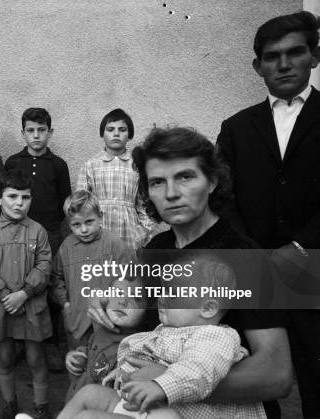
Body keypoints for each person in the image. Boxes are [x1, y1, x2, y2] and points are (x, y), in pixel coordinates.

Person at [90, 127, 292, 418]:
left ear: (212, 182)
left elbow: (276, 374)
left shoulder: (246, 258)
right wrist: (103, 305)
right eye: (157, 182)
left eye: (185, 176)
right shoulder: (155, 248)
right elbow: (137, 317)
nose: (171, 193)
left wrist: (168, 380)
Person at [216, 11, 320, 418]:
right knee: (257, 380)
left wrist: (299, 248)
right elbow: (222, 197)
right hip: (255, 272)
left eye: (295, 52)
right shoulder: (236, 127)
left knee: (316, 376)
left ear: (314, 56)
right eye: (272, 56)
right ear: (257, 66)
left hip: (315, 268)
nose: (284, 63)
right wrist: (253, 257)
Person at [59, 255, 266, 419]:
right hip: (148, 406)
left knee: (87, 417)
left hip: (179, 412)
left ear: (208, 307)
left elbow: (198, 371)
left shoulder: (215, 336)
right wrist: (123, 371)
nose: (162, 298)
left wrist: (160, 385)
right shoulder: (167, 329)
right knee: (90, 394)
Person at [0, 169, 53, 419]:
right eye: (12, 196)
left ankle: (41, 406)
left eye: (25, 197)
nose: (19, 203)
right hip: (1, 308)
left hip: (31, 304)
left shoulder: (38, 231)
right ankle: (10, 404)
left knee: (36, 359)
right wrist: (5, 295)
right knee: (5, 359)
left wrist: (24, 293)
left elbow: (44, 265)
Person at [6, 107, 72, 372]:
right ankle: (19, 341)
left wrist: (55, 229)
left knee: (48, 284)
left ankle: (51, 343)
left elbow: (64, 202)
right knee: (19, 282)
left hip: (51, 233)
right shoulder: (12, 162)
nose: (36, 136)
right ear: (23, 133)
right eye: (31, 131)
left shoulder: (58, 165)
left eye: (41, 130)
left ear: (50, 132)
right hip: (18, 233)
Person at [50, 190, 134, 377]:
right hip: (77, 321)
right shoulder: (66, 247)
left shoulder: (115, 244)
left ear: (100, 217)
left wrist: (117, 304)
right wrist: (65, 304)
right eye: (76, 225)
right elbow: (56, 278)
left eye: (89, 222)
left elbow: (131, 277)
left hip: (109, 324)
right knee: (78, 368)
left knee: (107, 370)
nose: (84, 230)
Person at [76, 108, 158, 250]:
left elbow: (145, 204)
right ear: (102, 133)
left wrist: (142, 233)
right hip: (98, 235)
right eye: (110, 129)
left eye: (122, 129)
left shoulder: (137, 165)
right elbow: (80, 205)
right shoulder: (90, 165)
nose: (116, 133)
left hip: (130, 238)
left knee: (128, 271)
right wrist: (87, 231)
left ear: (130, 135)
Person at [63, 278, 146, 402]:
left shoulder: (137, 350)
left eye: (136, 298)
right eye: (117, 293)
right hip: (75, 401)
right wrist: (75, 356)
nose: (122, 301)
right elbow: (91, 353)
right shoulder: (101, 331)